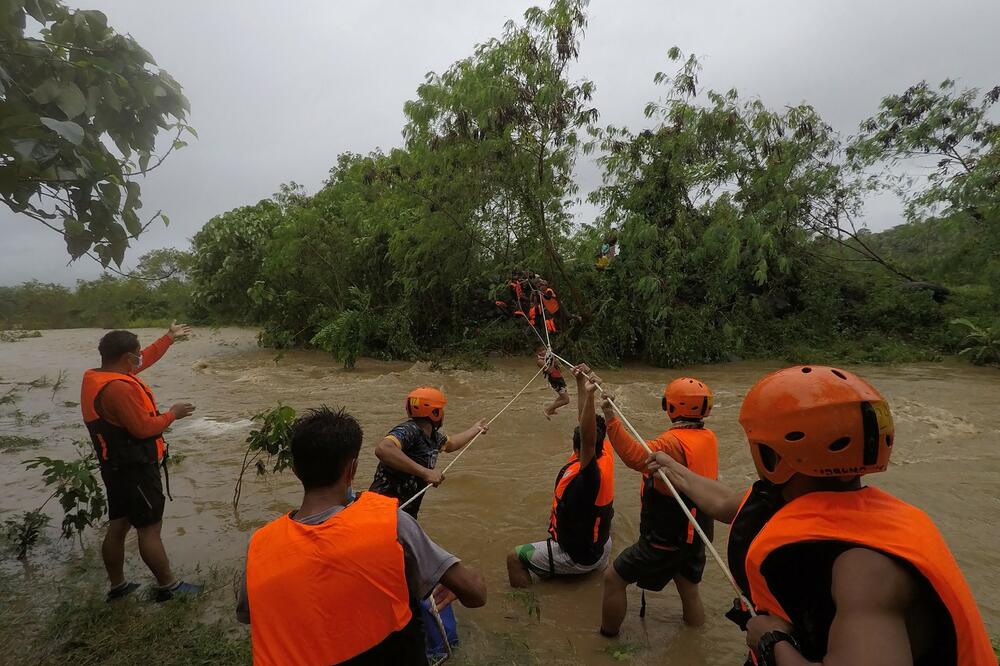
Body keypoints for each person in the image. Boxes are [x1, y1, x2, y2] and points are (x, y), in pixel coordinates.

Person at [651, 365, 994, 666]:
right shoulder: (800, 501)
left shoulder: (864, 568)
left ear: (772, 455)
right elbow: (728, 503)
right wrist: (671, 468)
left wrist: (773, 643)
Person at [237, 406, 487, 665]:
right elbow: (475, 595)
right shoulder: (392, 523)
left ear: (296, 470)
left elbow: (252, 616)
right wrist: (473, 576)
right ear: (352, 470)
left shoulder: (259, 546)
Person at [80, 322, 200, 602]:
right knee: (149, 528)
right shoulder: (119, 389)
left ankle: (118, 585)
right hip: (135, 468)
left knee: (119, 525)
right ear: (125, 359)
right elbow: (144, 429)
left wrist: (169, 338)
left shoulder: (101, 376)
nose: (139, 358)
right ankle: (168, 586)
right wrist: (173, 414)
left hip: (114, 466)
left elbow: (148, 356)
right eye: (136, 355)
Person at [599, 377, 718, 636]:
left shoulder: (671, 444)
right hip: (697, 532)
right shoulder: (708, 437)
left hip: (668, 537)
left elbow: (634, 456)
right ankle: (695, 644)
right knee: (689, 589)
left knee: (613, 578)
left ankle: (606, 640)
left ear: (670, 407)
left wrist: (610, 415)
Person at [507, 363, 615, 586]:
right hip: (602, 547)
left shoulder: (589, 475)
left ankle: (521, 611)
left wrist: (591, 394)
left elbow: (586, 436)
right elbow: (587, 425)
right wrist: (580, 384)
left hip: (579, 557)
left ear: (578, 448)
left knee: (514, 558)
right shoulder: (605, 453)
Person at [369, 387, 488, 518]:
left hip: (404, 513)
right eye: (441, 410)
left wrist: (476, 429)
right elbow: (383, 449)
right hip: (382, 510)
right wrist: (425, 473)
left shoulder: (433, 437)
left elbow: (451, 444)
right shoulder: (409, 430)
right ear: (435, 413)